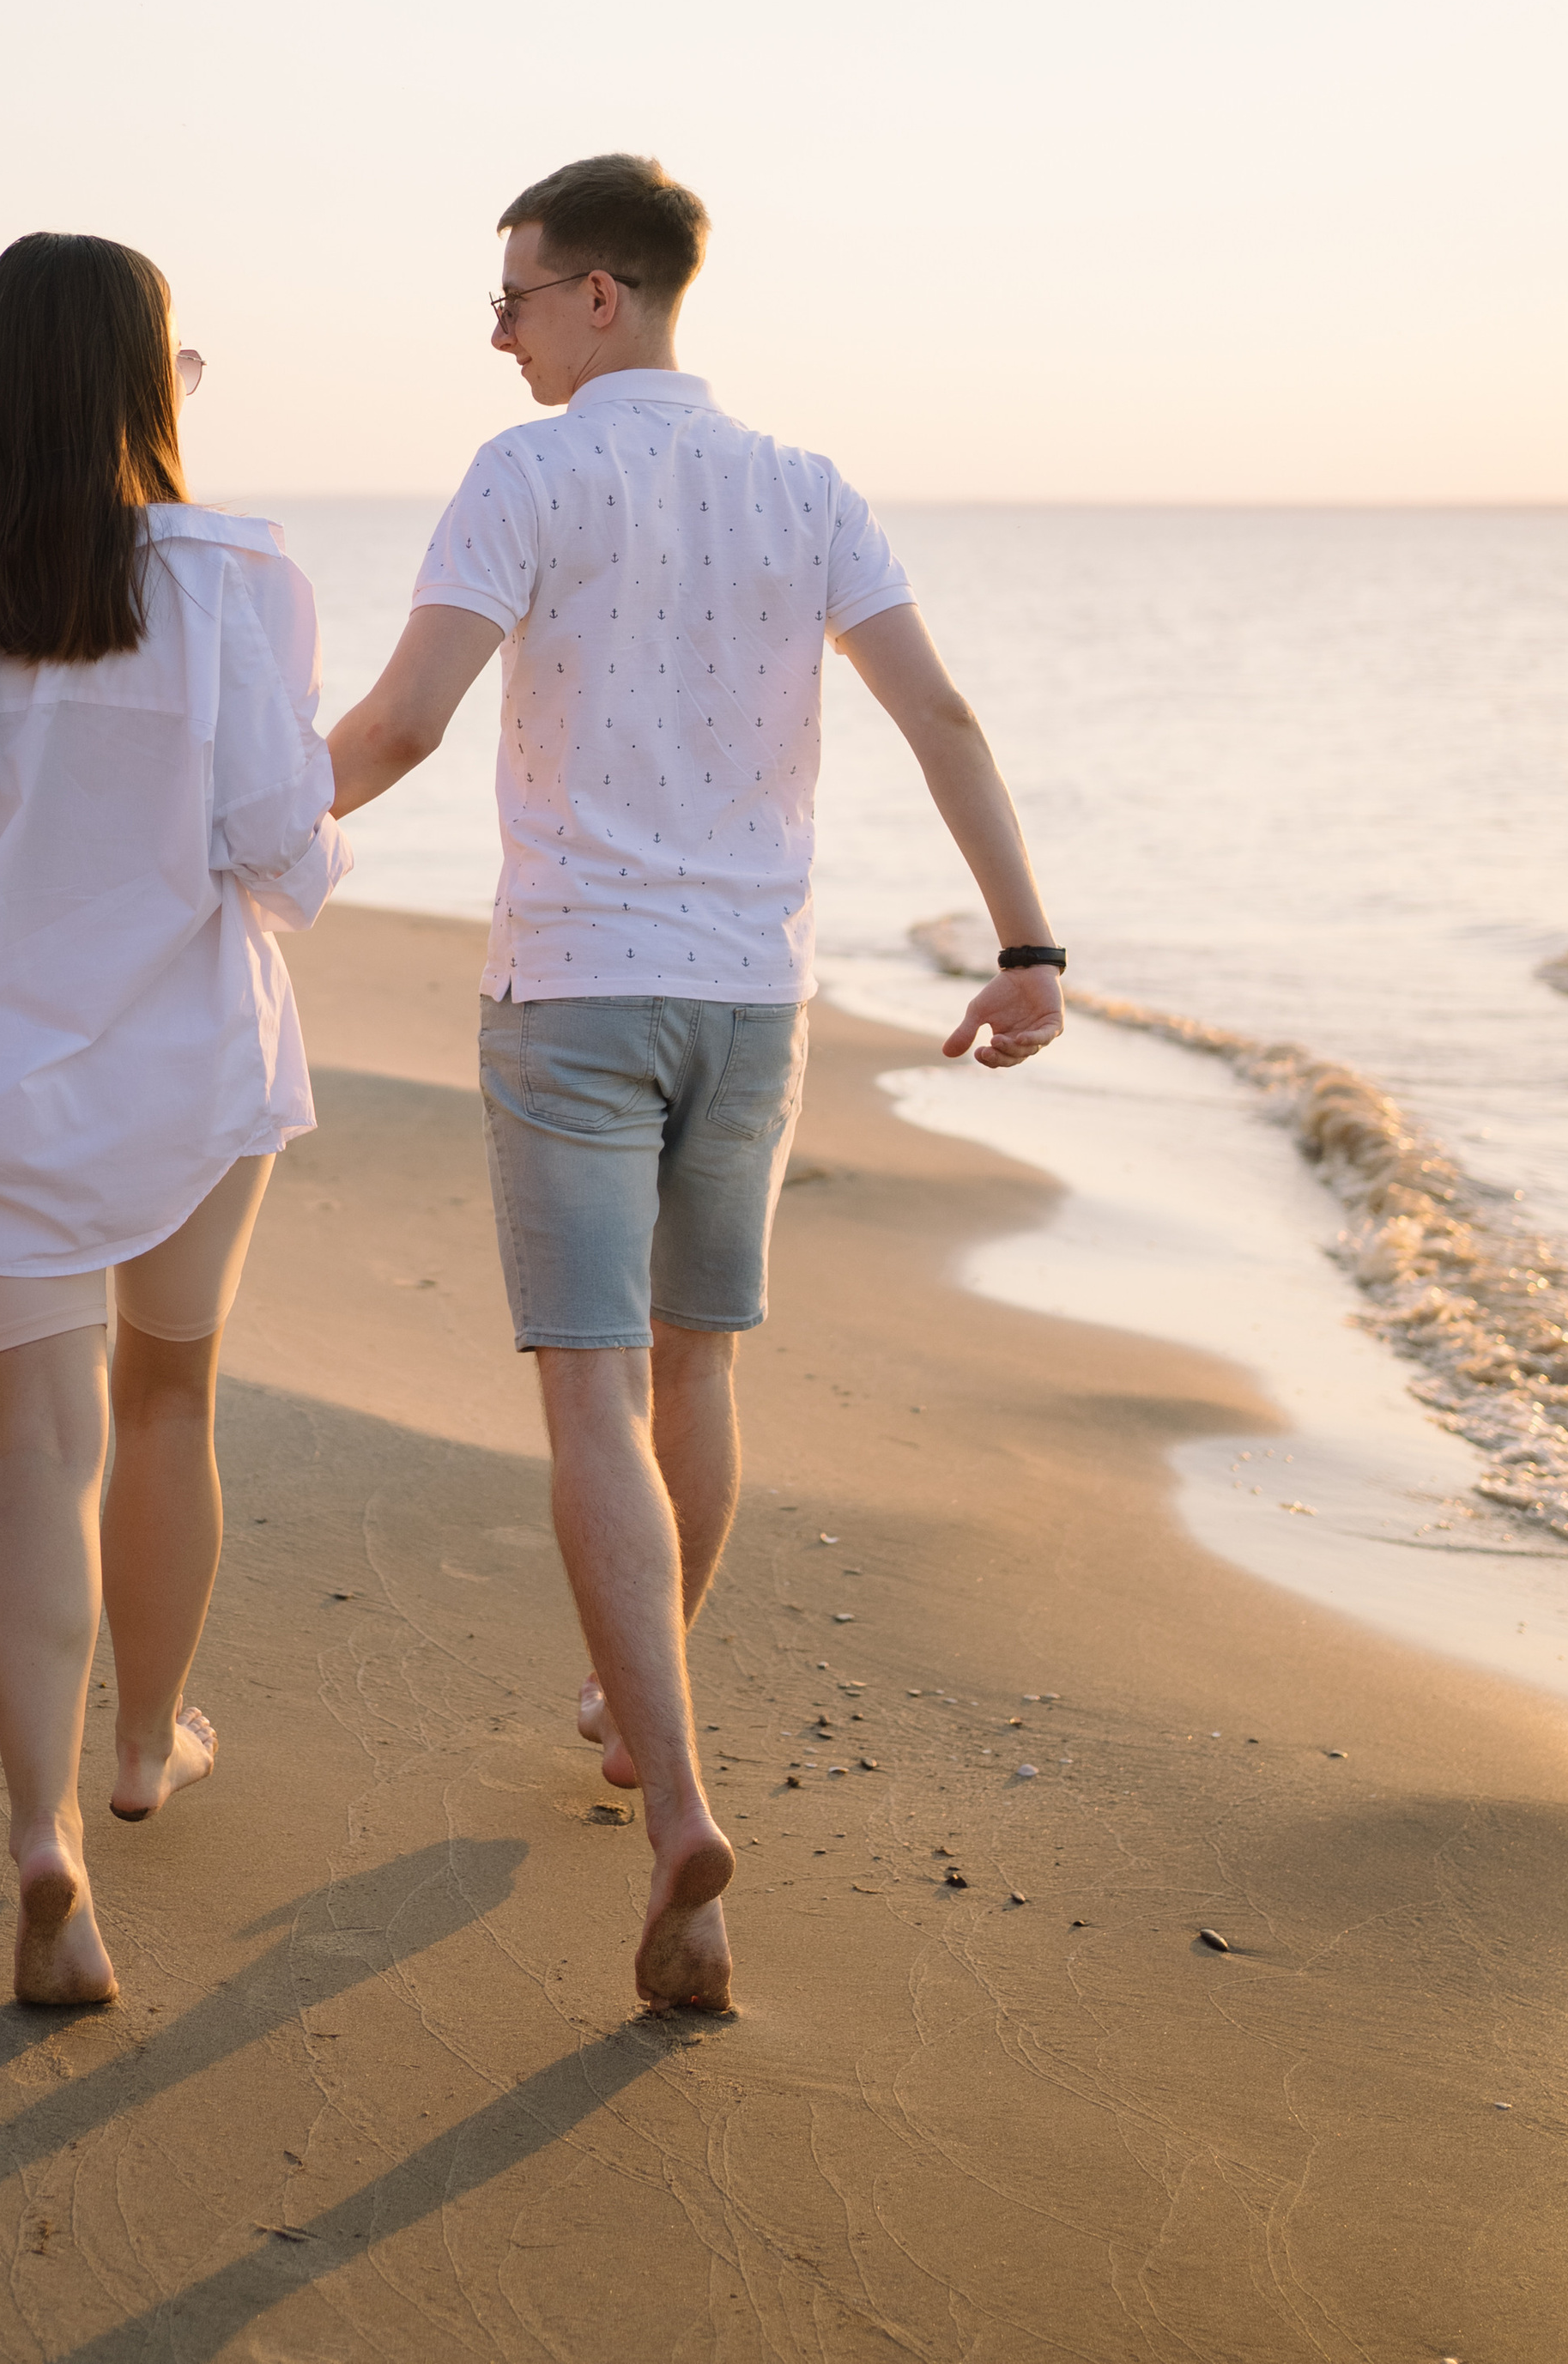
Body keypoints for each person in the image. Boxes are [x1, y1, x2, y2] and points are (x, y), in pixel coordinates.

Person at [325, 155, 1062, 2014]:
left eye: (510, 294)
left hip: (575, 986)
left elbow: (405, 723)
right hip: (750, 997)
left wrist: (228, 827)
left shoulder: (530, 473)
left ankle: (681, 1823)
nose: (490, 330)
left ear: (603, 295)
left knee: (589, 1398)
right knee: (696, 1366)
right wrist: (1027, 949)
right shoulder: (804, 488)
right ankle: (633, 1719)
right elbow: (941, 718)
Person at [0, 233, 346, 2007]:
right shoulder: (233, 579)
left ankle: (40, 1837)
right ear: (148, 377)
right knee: (172, 1386)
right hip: (186, 1064)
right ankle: (143, 1748)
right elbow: (287, 852)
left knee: (37, 1451)